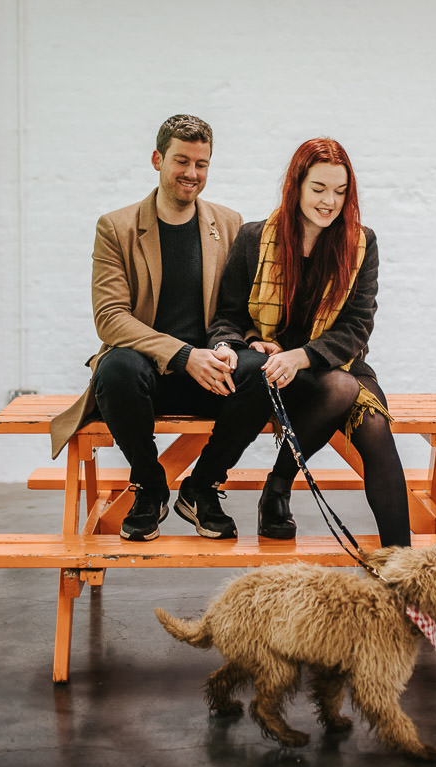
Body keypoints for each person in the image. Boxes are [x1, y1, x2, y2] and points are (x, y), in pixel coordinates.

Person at [49, 114, 270, 542]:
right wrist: (184, 355)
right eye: (181, 161)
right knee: (114, 370)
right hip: (146, 377)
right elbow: (110, 318)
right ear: (157, 159)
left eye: (201, 163)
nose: (192, 173)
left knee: (262, 374)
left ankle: (201, 487)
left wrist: (245, 340)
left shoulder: (229, 223)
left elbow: (239, 306)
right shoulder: (116, 227)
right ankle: (150, 487)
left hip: (211, 374)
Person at [207, 137, 411, 548]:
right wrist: (239, 344)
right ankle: (280, 489)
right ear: (296, 185)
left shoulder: (361, 243)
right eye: (318, 189)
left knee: (370, 422)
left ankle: (402, 570)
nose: (329, 201)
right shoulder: (253, 238)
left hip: (337, 365)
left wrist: (302, 356)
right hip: (272, 370)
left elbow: (356, 328)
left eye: (340, 191)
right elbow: (228, 315)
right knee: (339, 389)